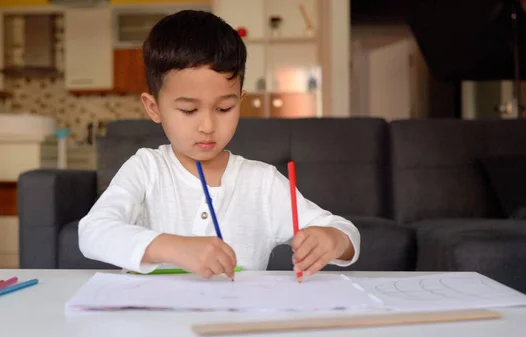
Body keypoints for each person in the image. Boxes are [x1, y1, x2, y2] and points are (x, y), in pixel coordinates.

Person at [78, 10, 360, 280]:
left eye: (224, 108)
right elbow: (93, 232)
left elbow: (344, 230)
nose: (208, 126)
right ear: (154, 108)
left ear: (240, 100)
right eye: (189, 110)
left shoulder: (261, 182)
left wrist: (332, 240)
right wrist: (173, 247)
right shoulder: (146, 169)